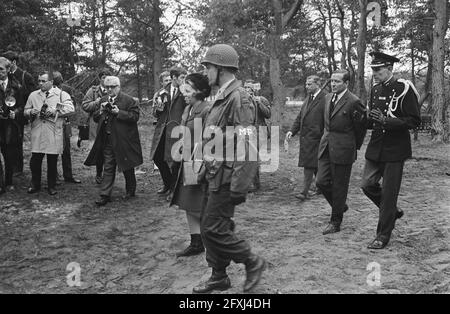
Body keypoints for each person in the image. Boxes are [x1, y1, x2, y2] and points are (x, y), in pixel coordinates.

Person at [192, 44, 265, 294]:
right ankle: (219, 275)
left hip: (227, 176)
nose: (206, 72)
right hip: (214, 172)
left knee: (212, 228)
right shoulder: (222, 95)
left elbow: (248, 143)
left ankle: (252, 261)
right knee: (213, 225)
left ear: (221, 69)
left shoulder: (239, 98)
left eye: (208, 67)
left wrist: (239, 185)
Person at [362, 52, 421, 250]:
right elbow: (374, 120)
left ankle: (382, 235)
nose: (375, 73)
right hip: (376, 146)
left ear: (389, 69)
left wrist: (387, 121)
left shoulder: (404, 89)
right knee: (367, 185)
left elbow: (413, 121)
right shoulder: (376, 89)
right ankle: (392, 211)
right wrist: (366, 118)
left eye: (378, 70)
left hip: (395, 149)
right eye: (373, 70)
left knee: (388, 194)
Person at [316, 69, 366, 235]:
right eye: (331, 81)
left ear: (346, 83)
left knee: (339, 187)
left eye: (337, 81)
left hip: (343, 149)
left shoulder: (354, 101)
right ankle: (340, 206)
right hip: (326, 147)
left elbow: (360, 129)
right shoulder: (328, 97)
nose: (333, 84)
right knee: (321, 181)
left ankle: (335, 222)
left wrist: (352, 147)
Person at [84, 76, 143, 206]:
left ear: (118, 87)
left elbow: (135, 117)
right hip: (107, 140)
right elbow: (95, 118)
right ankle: (105, 195)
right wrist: (99, 112)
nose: (109, 89)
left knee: (127, 166)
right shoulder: (103, 100)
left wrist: (118, 112)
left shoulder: (129, 100)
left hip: (123, 140)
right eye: (107, 87)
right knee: (109, 167)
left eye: (113, 87)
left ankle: (130, 190)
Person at [170, 73, 212, 257]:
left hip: (201, 162)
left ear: (200, 91)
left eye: (188, 89)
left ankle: (211, 241)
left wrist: (201, 161)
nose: (184, 92)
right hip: (187, 161)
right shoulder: (188, 109)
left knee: (199, 203)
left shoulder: (207, 109)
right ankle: (196, 243)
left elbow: (212, 139)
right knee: (188, 202)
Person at [24, 71, 75, 195]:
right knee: (35, 160)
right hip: (38, 130)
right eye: (39, 81)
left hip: (53, 131)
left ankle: (51, 186)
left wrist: (54, 111)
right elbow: (26, 110)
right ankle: (35, 184)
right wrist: (31, 112)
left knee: (52, 160)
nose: (40, 83)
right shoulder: (33, 95)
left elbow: (71, 109)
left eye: (43, 81)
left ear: (51, 82)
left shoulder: (62, 94)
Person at [286, 75, 326, 201]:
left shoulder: (325, 98)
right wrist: (292, 131)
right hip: (306, 138)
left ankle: (304, 192)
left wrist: (323, 134)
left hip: (318, 138)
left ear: (318, 84)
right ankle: (322, 187)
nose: (307, 86)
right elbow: (300, 117)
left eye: (310, 84)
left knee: (309, 164)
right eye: (306, 84)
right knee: (314, 164)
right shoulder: (309, 98)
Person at [150, 67, 187, 198]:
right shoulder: (161, 92)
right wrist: (158, 109)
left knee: (175, 160)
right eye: (182, 77)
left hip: (178, 130)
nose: (184, 80)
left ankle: (175, 189)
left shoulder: (186, 92)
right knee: (158, 158)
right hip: (162, 130)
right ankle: (168, 184)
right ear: (174, 78)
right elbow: (154, 113)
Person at [2, 50, 37, 174]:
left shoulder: (24, 76)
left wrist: (23, 110)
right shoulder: (4, 74)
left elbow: (33, 95)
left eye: (6, 61)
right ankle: (11, 168)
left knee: (17, 140)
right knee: (7, 141)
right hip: (6, 114)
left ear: (13, 62)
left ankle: (18, 168)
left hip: (21, 112)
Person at [82, 68, 112, 184]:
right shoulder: (93, 91)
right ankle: (99, 173)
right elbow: (85, 105)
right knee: (98, 149)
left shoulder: (113, 90)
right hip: (96, 124)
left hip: (110, 124)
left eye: (108, 77)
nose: (105, 80)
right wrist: (97, 102)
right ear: (100, 79)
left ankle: (108, 174)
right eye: (103, 77)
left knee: (109, 149)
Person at [0, 57, 25, 195]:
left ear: (8, 70)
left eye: (1, 69)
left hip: (10, 126)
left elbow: (22, 106)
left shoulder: (17, 86)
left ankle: (9, 181)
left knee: (9, 155)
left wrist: (16, 113)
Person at [52, 71, 81, 184]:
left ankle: (68, 176)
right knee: (53, 151)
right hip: (52, 123)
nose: (57, 86)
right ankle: (54, 176)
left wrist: (60, 108)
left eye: (58, 84)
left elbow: (72, 107)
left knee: (66, 150)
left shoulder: (67, 90)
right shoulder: (47, 91)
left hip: (64, 123)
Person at [244, 80, 271, 192]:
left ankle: (254, 184)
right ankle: (253, 183)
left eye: (250, 88)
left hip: (260, 132)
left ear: (255, 89)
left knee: (253, 156)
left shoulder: (262, 99)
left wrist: (258, 103)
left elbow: (268, 114)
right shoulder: (243, 100)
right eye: (245, 87)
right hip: (248, 132)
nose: (247, 90)